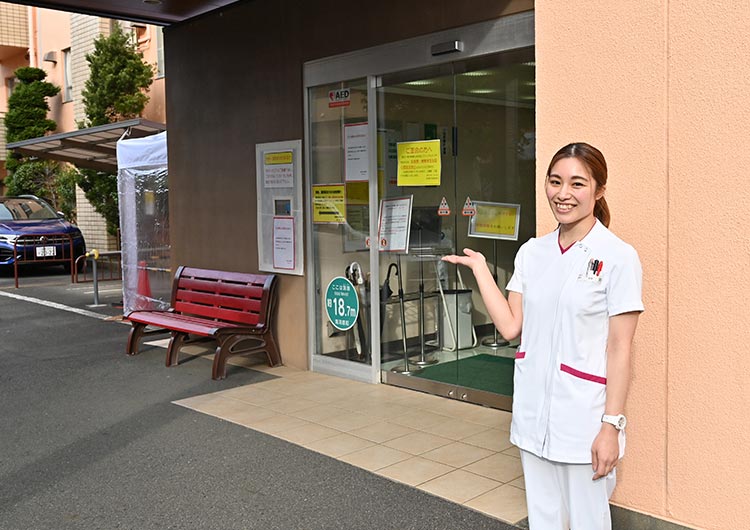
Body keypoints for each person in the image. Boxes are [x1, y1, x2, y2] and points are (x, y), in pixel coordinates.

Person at [443, 142, 643, 530]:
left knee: (588, 522)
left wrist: (611, 426)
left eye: (577, 183)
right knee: (544, 520)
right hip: (533, 413)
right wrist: (481, 269)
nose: (562, 194)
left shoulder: (618, 257)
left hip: (584, 418)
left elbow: (620, 349)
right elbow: (511, 326)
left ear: (599, 190)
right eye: (555, 182)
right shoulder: (532, 253)